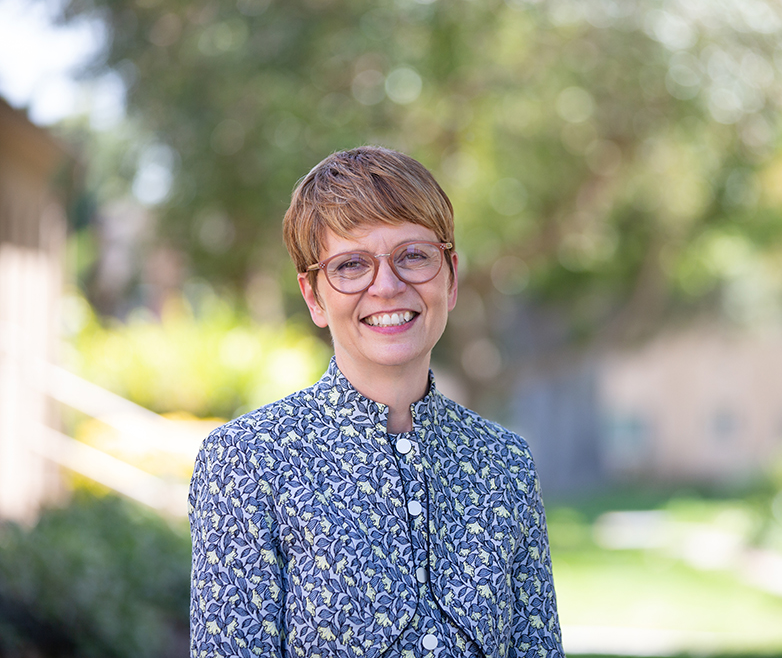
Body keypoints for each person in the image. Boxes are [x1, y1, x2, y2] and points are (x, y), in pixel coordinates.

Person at [188, 146, 564, 658]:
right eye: (351, 265)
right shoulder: (248, 463)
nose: (386, 286)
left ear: (450, 277)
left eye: (413, 256)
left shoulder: (505, 464)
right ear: (314, 296)